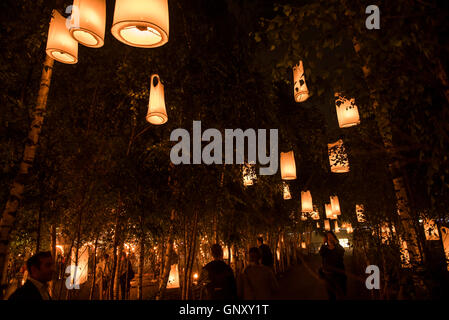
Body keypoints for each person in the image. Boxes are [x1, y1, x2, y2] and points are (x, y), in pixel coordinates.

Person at [319, 231, 347, 300]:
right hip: (328, 275)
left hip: (339, 275)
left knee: (341, 294)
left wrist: (336, 243)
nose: (330, 238)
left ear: (334, 237)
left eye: (331, 236)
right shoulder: (324, 248)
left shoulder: (338, 247)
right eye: (328, 236)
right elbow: (321, 253)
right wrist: (323, 243)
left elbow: (342, 252)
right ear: (326, 238)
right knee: (331, 295)